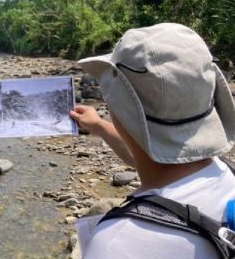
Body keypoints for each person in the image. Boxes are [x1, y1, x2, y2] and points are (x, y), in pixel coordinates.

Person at [69, 23, 235, 258]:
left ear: (120, 109)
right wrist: (99, 126)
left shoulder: (117, 244)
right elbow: (155, 159)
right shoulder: (222, 172)